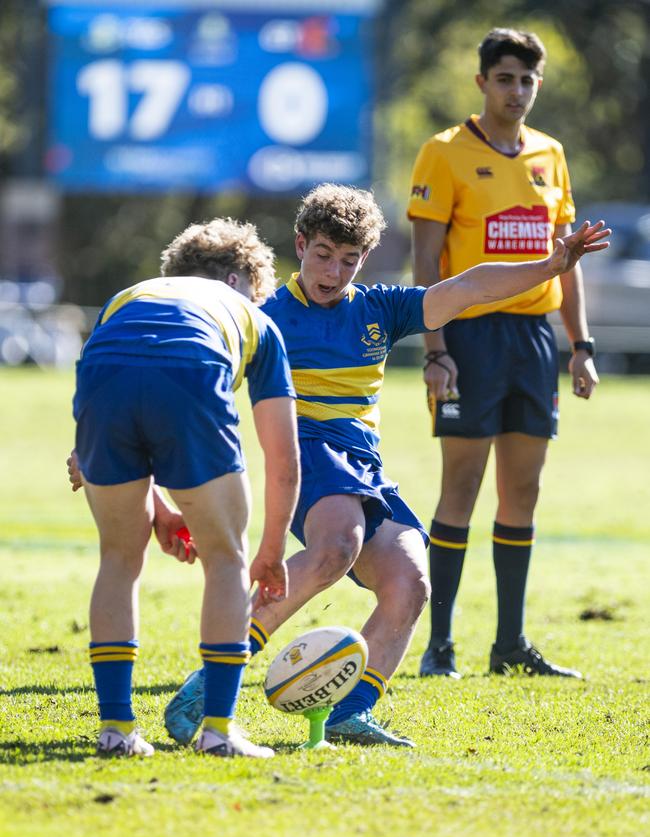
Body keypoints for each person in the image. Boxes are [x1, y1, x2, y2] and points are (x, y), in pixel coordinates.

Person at [164, 183, 609, 747]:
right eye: (323, 254)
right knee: (335, 547)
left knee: (410, 581)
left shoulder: (378, 307)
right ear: (300, 246)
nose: (333, 271)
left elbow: (468, 288)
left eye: (348, 260)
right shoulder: (266, 315)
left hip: (362, 464)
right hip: (304, 454)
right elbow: (195, 379)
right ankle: (210, 682)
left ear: (365, 259)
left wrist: (550, 264)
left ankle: (351, 710)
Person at [408, 27, 601, 680]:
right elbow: (425, 260)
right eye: (505, 78)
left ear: (537, 86)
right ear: (482, 82)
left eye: (527, 80)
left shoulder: (551, 153)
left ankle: (510, 645)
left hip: (533, 340)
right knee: (460, 486)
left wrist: (580, 346)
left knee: (523, 489)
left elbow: (567, 261)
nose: (516, 90)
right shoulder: (444, 153)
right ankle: (439, 646)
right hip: (469, 338)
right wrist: (435, 348)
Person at [72, 217, 300, 758]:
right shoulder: (250, 316)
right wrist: (268, 554)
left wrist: (158, 507)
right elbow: (284, 459)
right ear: (238, 281)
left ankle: (116, 730)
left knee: (118, 558)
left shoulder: (127, 297)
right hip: (193, 370)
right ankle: (218, 731)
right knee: (226, 560)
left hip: (104, 380)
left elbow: (100, 392)